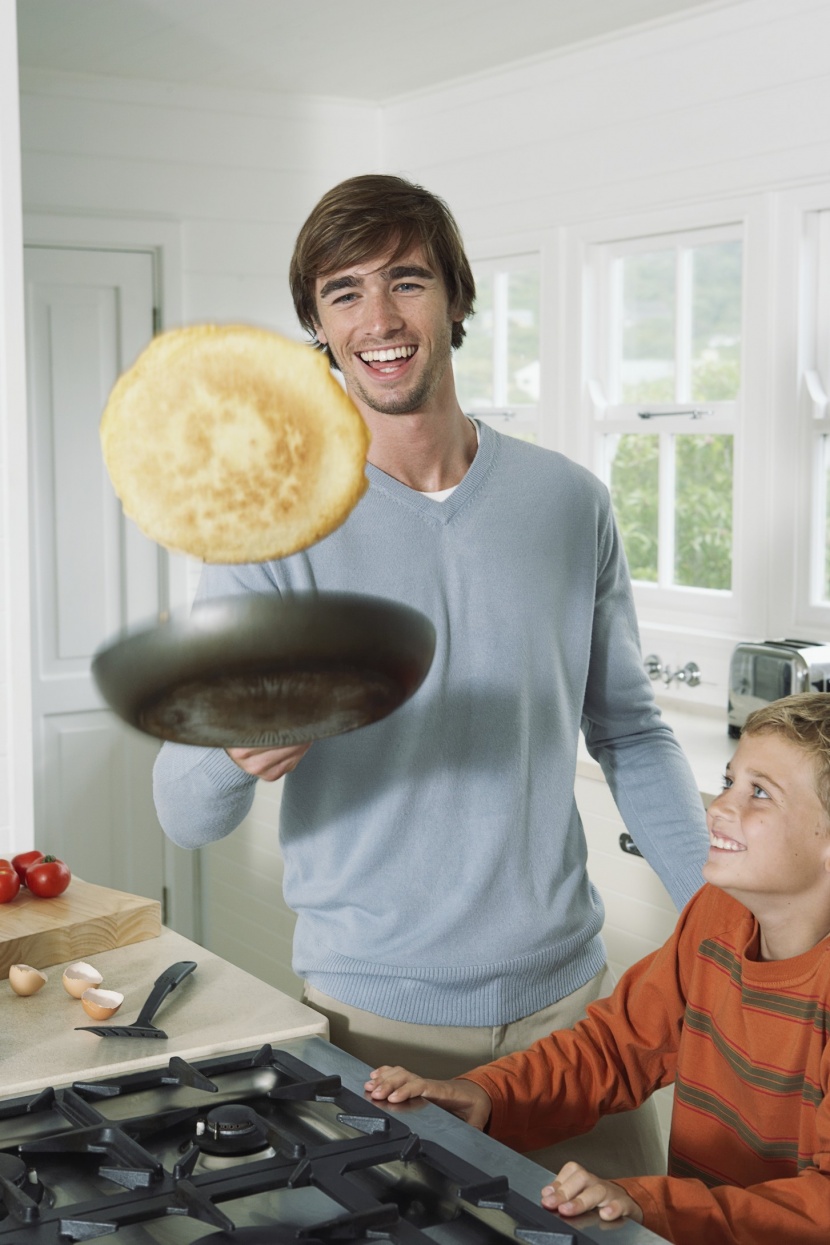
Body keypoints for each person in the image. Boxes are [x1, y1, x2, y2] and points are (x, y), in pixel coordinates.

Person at [153, 173, 709, 1178]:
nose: (379, 318)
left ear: (454, 297)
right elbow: (184, 812)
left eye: (405, 282)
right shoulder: (273, 529)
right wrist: (232, 753)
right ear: (317, 327)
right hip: (370, 1031)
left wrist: (719, 917)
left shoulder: (567, 503)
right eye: (344, 292)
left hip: (570, 1020)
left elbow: (628, 732)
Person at [365, 692, 830, 1245]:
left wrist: (646, 1204)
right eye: (729, 780)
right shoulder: (717, 917)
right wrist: (487, 1095)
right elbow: (616, 1047)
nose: (719, 807)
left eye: (759, 793)